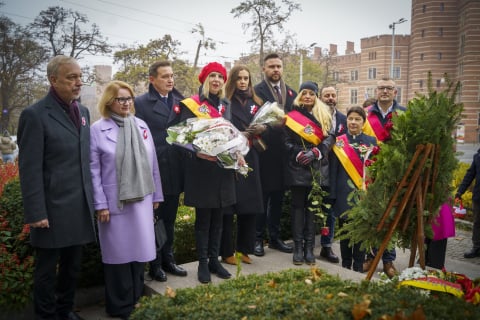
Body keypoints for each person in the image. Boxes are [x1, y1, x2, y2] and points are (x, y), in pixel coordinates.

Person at [17, 55, 96, 320]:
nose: (78, 82)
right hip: (51, 210)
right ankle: (47, 315)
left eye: (80, 77)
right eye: (71, 77)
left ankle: (65, 311)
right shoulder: (34, 115)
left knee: (73, 268)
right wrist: (36, 212)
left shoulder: (83, 113)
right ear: (53, 80)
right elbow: (29, 169)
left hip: (79, 207)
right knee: (46, 271)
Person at [90, 80, 163, 319]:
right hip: (114, 203)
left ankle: (137, 301)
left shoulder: (141, 125)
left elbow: (153, 164)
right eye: (121, 99)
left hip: (142, 200)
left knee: (139, 254)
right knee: (118, 256)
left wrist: (157, 196)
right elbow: (94, 171)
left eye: (129, 98)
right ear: (109, 102)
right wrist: (100, 204)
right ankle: (119, 306)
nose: (126, 103)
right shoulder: (97, 129)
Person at [178, 62, 235, 283]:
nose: (217, 80)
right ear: (204, 79)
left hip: (222, 169)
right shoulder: (192, 104)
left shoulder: (225, 103)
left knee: (219, 219)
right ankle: (202, 262)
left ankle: (214, 260)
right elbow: (179, 138)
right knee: (203, 220)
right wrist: (197, 153)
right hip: (201, 170)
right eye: (212, 75)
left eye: (220, 77)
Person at [135, 61, 187, 282]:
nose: (170, 80)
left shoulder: (180, 101)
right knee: (154, 220)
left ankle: (169, 259)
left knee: (170, 219)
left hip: (174, 169)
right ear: (152, 79)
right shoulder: (141, 103)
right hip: (153, 170)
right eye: (164, 76)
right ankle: (155, 264)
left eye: (171, 76)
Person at [284, 81, 334, 265]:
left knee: (312, 209)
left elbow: (331, 137)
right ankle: (298, 248)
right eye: (304, 93)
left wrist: (317, 151)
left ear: (316, 96)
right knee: (298, 208)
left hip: (317, 167)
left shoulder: (324, 115)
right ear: (299, 96)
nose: (307, 96)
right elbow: (285, 141)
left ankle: (309, 248)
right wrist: (297, 152)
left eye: (311, 93)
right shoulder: (292, 116)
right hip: (298, 168)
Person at [220, 65, 264, 265]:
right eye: (239, 78)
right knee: (229, 209)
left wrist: (263, 128)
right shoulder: (225, 103)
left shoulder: (258, 103)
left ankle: (244, 249)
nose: (243, 82)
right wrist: (239, 136)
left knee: (250, 205)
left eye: (246, 78)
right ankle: (227, 251)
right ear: (233, 81)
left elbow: (270, 128)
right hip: (231, 158)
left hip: (251, 156)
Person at [253, 53, 297, 256]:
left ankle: (275, 238)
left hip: (283, 155)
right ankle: (257, 239)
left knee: (278, 199)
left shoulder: (291, 93)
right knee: (262, 199)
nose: (275, 70)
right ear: (264, 69)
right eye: (271, 66)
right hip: (264, 152)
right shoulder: (256, 91)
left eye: (278, 66)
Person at [362, 76, 406, 278]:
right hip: (371, 173)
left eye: (389, 88)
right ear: (376, 91)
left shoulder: (404, 114)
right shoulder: (367, 115)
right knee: (371, 215)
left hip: (394, 173)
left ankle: (388, 260)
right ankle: (371, 256)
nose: (385, 91)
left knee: (391, 217)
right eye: (381, 88)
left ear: (395, 92)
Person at [331, 106, 377, 272]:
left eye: (357, 119)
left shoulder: (371, 142)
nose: (353, 122)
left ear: (363, 122)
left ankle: (358, 266)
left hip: (363, 196)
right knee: (345, 234)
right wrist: (333, 195)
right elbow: (333, 171)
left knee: (361, 233)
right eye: (350, 118)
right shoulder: (339, 141)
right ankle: (345, 265)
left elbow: (375, 170)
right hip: (343, 194)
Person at [317, 85, 347, 264]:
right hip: (317, 167)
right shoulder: (314, 116)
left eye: (333, 95)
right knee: (313, 208)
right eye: (326, 95)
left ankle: (326, 246)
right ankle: (305, 244)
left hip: (337, 169)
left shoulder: (344, 119)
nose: (330, 98)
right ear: (321, 97)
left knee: (329, 210)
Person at [455, 148, 480, 258]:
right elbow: (470, 175)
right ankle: (477, 248)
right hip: (479, 197)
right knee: (477, 223)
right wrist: (460, 191)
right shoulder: (477, 156)